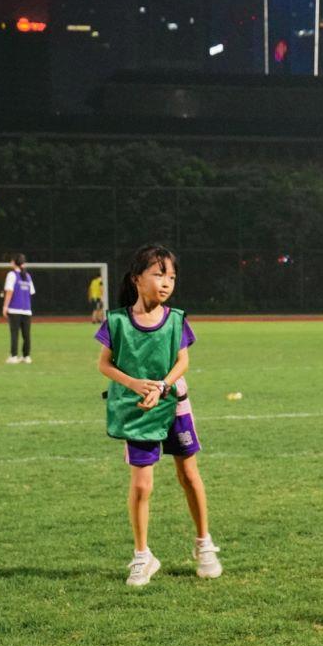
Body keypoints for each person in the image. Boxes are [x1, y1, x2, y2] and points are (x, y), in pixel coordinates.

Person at [97, 243, 221, 585]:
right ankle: (142, 555)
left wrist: (163, 387)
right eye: (158, 274)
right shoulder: (118, 321)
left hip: (174, 404)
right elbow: (103, 364)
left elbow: (183, 362)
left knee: (189, 475)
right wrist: (135, 384)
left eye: (171, 276)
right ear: (137, 279)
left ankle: (204, 543)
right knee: (141, 484)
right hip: (137, 410)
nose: (166, 282)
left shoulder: (177, 319)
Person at [4, 254, 34, 363]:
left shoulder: (11, 275)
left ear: (13, 262)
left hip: (14, 309)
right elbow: (31, 292)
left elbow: (9, 291)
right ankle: (27, 357)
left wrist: (5, 306)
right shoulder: (27, 276)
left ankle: (14, 356)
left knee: (14, 333)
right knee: (26, 335)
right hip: (27, 309)